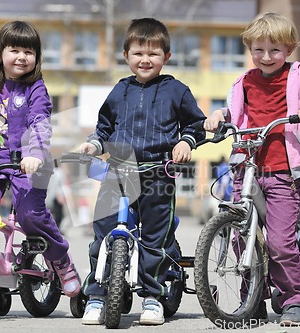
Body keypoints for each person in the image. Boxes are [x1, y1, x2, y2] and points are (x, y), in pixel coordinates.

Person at [204, 12, 300, 327]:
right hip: (247, 166)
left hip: (283, 169)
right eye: (259, 50)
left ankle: (293, 300)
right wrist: (217, 114)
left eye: (275, 50)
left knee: (281, 243)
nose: (266, 57)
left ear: (290, 49)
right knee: (243, 237)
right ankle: (251, 297)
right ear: (249, 49)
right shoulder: (243, 81)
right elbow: (233, 110)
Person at [76, 17, 206, 326]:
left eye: (154, 53)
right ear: (126, 56)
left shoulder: (177, 90)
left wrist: (186, 141)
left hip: (158, 174)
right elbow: (104, 128)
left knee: (154, 240)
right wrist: (94, 144)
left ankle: (153, 297)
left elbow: (196, 124)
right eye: (138, 53)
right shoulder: (120, 90)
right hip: (118, 171)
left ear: (167, 57)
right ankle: (96, 295)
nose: (145, 60)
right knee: (102, 235)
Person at [0, 21, 81, 298]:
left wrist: (34, 154)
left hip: (28, 161)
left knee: (31, 216)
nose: (21, 57)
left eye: (29, 52)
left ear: (37, 58)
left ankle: (61, 260)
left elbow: (41, 123)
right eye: (14, 50)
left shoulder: (36, 89)